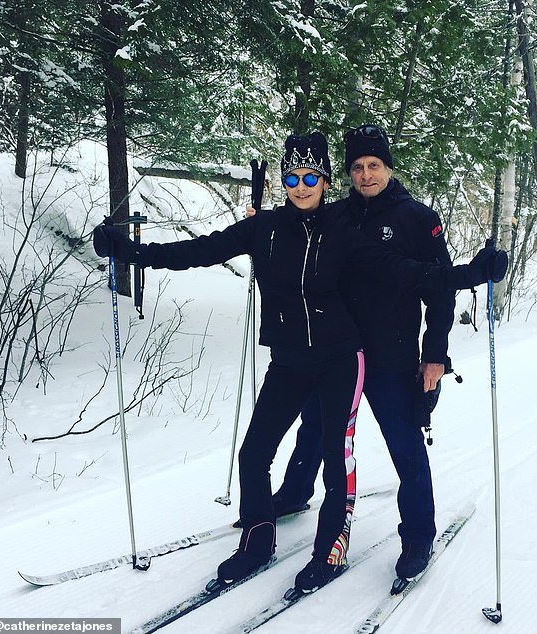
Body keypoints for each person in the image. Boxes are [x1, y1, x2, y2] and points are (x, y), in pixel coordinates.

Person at [93, 131, 507, 594]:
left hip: (376, 357)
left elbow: (422, 277)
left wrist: (465, 294)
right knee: (283, 445)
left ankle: (404, 540)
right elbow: (204, 249)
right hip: (304, 357)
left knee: (393, 450)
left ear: (333, 178)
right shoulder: (311, 220)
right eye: (295, 175)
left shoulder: (388, 224)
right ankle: (273, 521)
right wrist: (129, 251)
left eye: (314, 175)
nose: (305, 183)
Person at [268, 124, 458, 582]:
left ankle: (417, 534)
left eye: (374, 165)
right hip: (335, 352)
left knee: (405, 444)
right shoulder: (336, 216)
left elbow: (443, 289)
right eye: (357, 167)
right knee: (315, 427)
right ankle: (295, 492)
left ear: (389, 167)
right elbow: (296, 229)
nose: (366, 175)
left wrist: (434, 355)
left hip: (390, 355)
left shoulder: (417, 218)